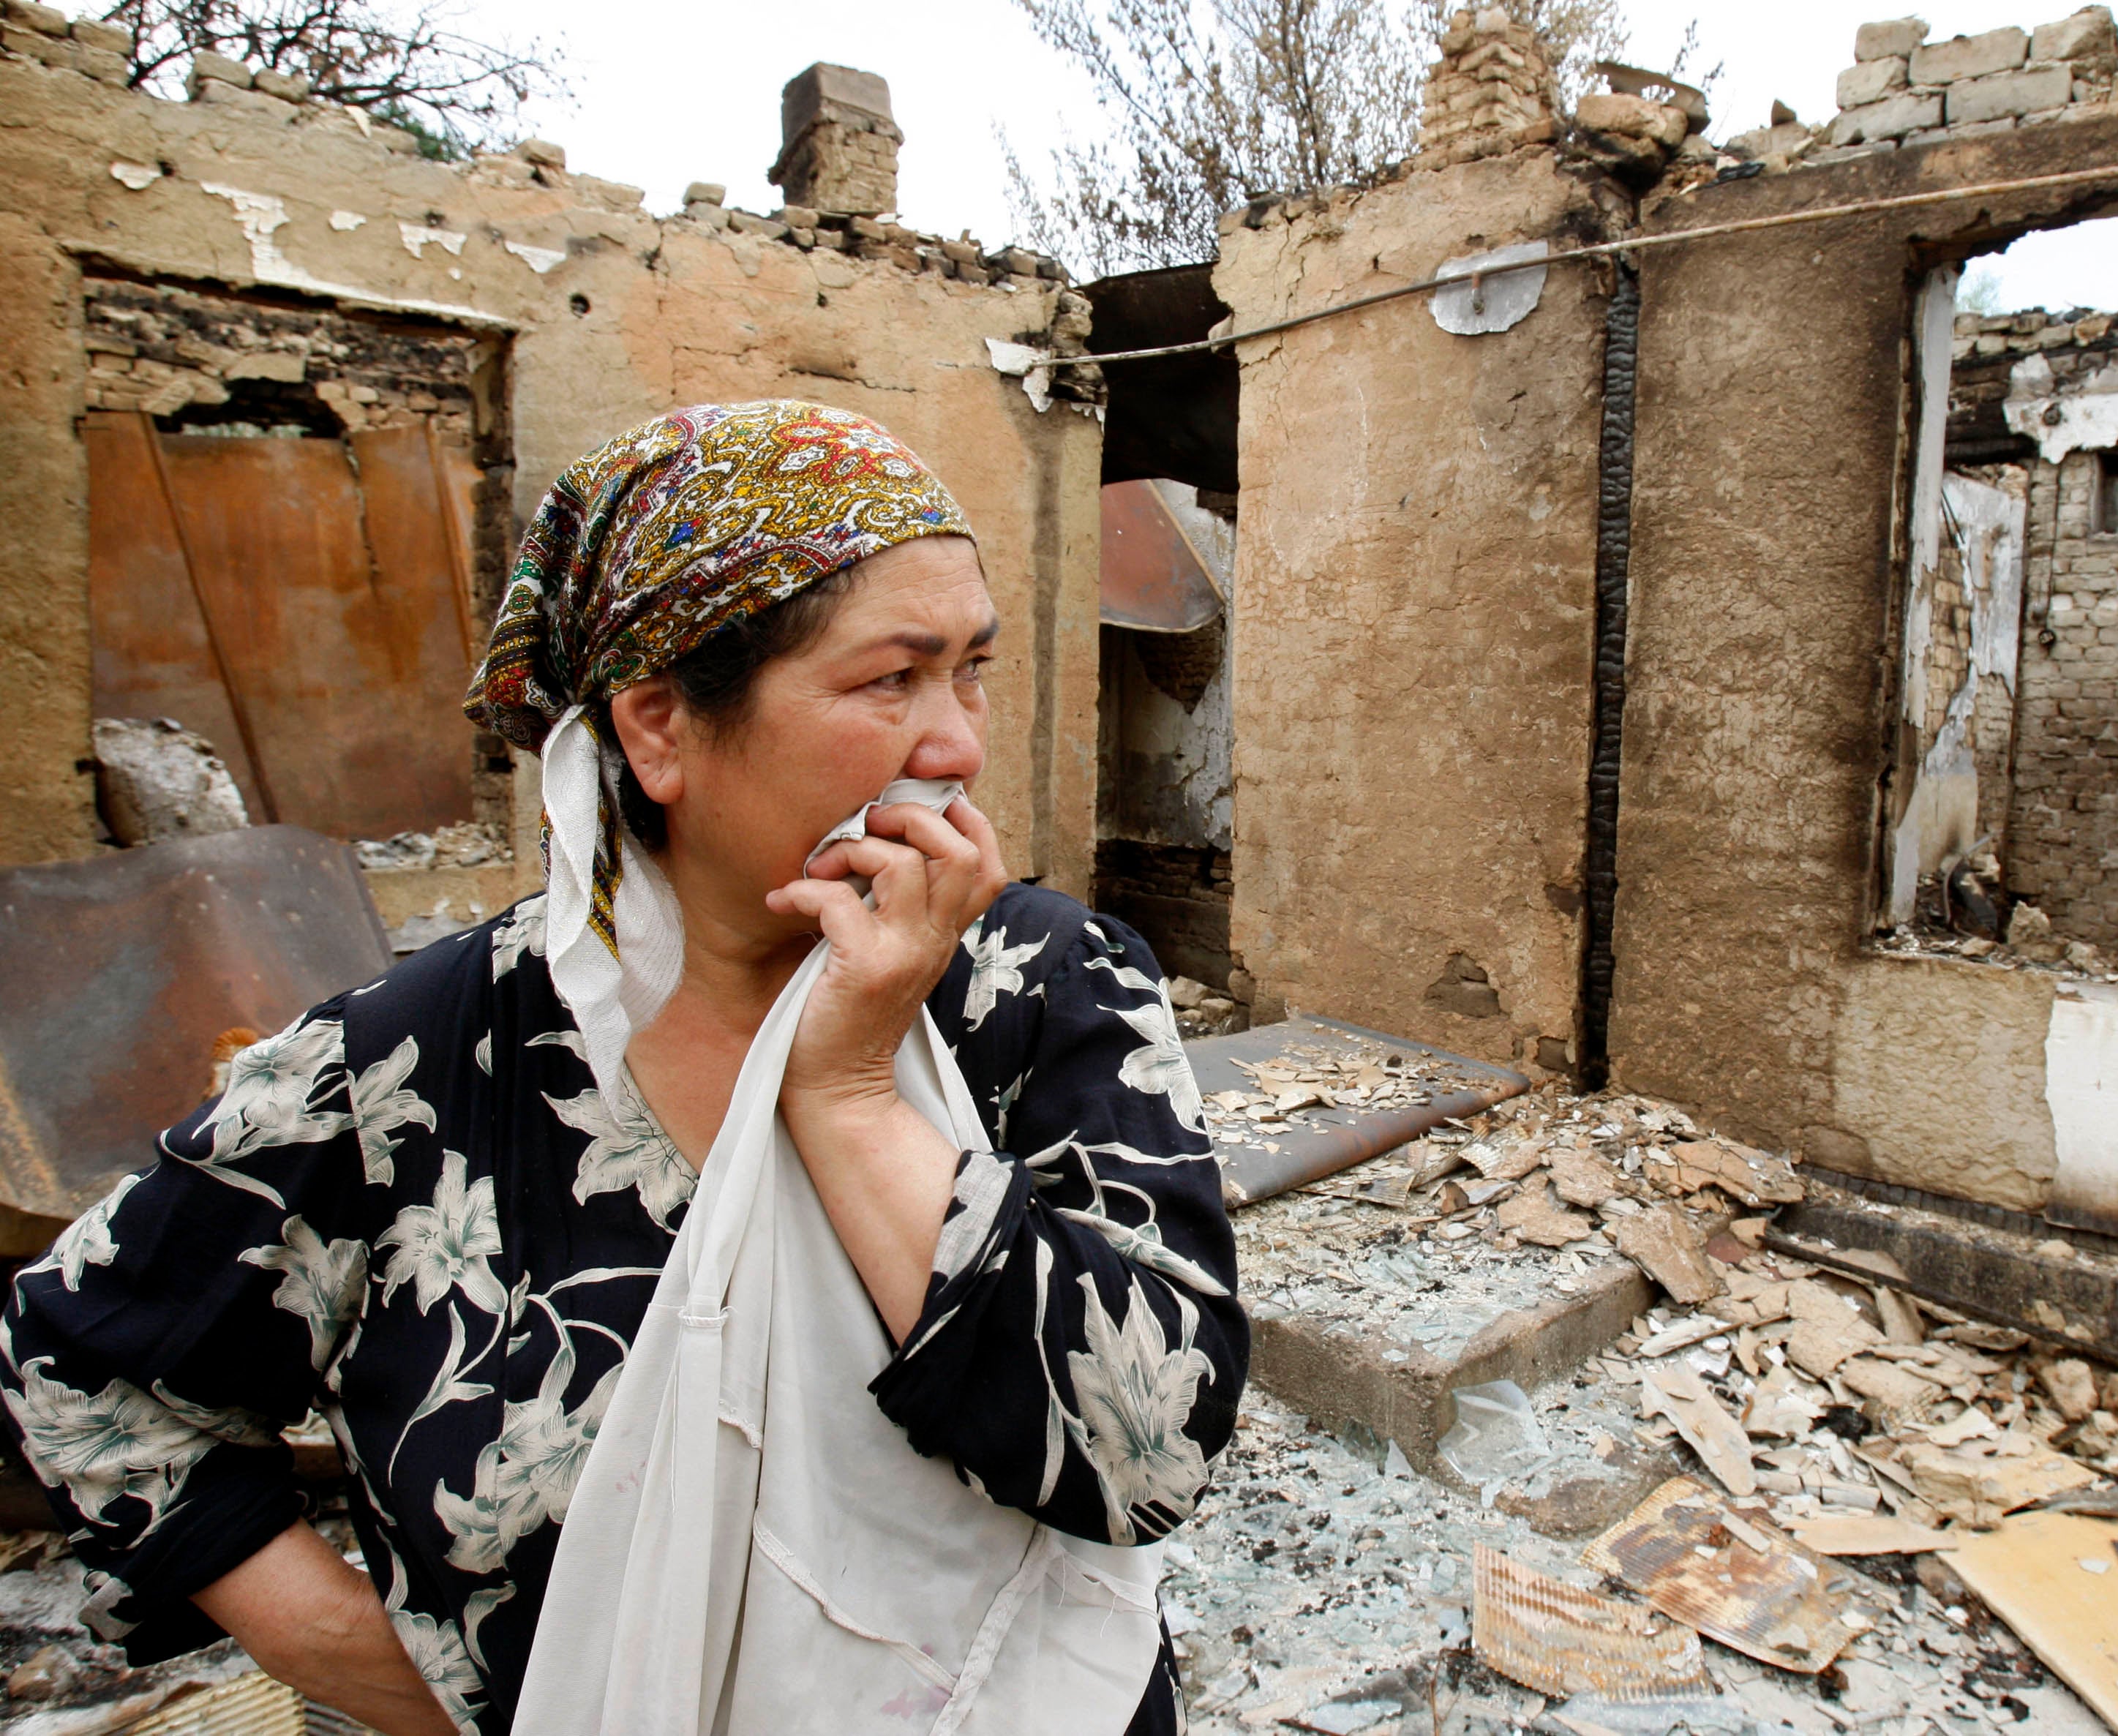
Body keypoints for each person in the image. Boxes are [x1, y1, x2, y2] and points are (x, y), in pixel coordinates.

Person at [0, 401, 1247, 1735]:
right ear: (659, 728)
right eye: (894, 678)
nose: (957, 745)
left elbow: (1146, 1457)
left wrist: (845, 1094)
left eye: (972, 670)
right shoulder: (411, 1064)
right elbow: (79, 1368)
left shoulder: (1042, 990)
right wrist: (399, 1681)